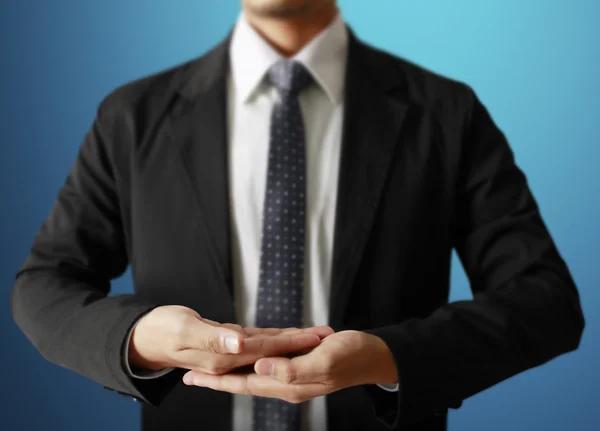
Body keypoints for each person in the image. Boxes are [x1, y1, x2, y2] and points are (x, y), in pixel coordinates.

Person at [10, 0, 585, 430]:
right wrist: (136, 339)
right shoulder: (132, 117)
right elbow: (45, 285)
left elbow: (545, 298)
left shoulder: (446, 113)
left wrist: (391, 358)